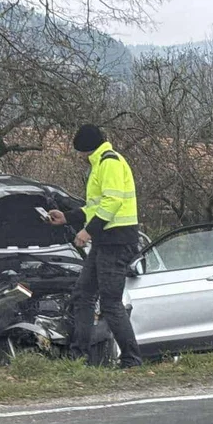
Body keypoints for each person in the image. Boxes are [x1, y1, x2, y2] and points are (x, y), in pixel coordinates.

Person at [48, 124, 144, 368]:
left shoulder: (109, 162)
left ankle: (132, 359)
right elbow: (94, 207)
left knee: (110, 303)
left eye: (80, 152)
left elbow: (112, 203)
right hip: (106, 241)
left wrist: (87, 232)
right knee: (83, 295)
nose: (80, 157)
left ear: (86, 148)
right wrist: (67, 217)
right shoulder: (100, 163)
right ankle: (79, 357)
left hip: (117, 242)